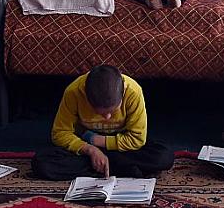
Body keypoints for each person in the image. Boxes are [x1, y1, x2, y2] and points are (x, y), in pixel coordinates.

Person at [32, 65, 174, 180]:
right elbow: (59, 133)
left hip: (120, 142)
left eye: (113, 111)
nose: (107, 117)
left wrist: (95, 141)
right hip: (86, 145)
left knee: (164, 156)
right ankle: (119, 167)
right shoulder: (74, 92)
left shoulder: (133, 92)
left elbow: (137, 139)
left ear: (122, 94)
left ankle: (99, 167)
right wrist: (90, 150)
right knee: (41, 164)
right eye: (99, 112)